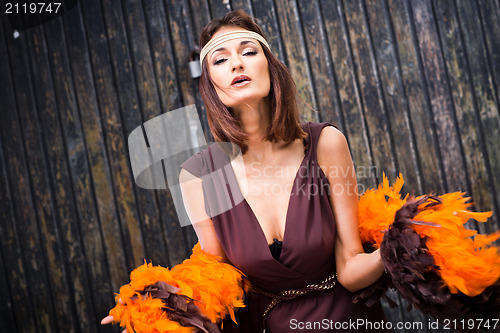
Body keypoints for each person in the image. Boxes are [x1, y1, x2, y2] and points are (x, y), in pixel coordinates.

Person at [103, 10, 389, 333]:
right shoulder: (199, 177)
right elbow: (219, 283)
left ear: (269, 66)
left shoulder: (325, 144)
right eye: (220, 60)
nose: (237, 64)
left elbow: (350, 267)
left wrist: (393, 251)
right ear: (210, 84)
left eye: (248, 52)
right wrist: (156, 313)